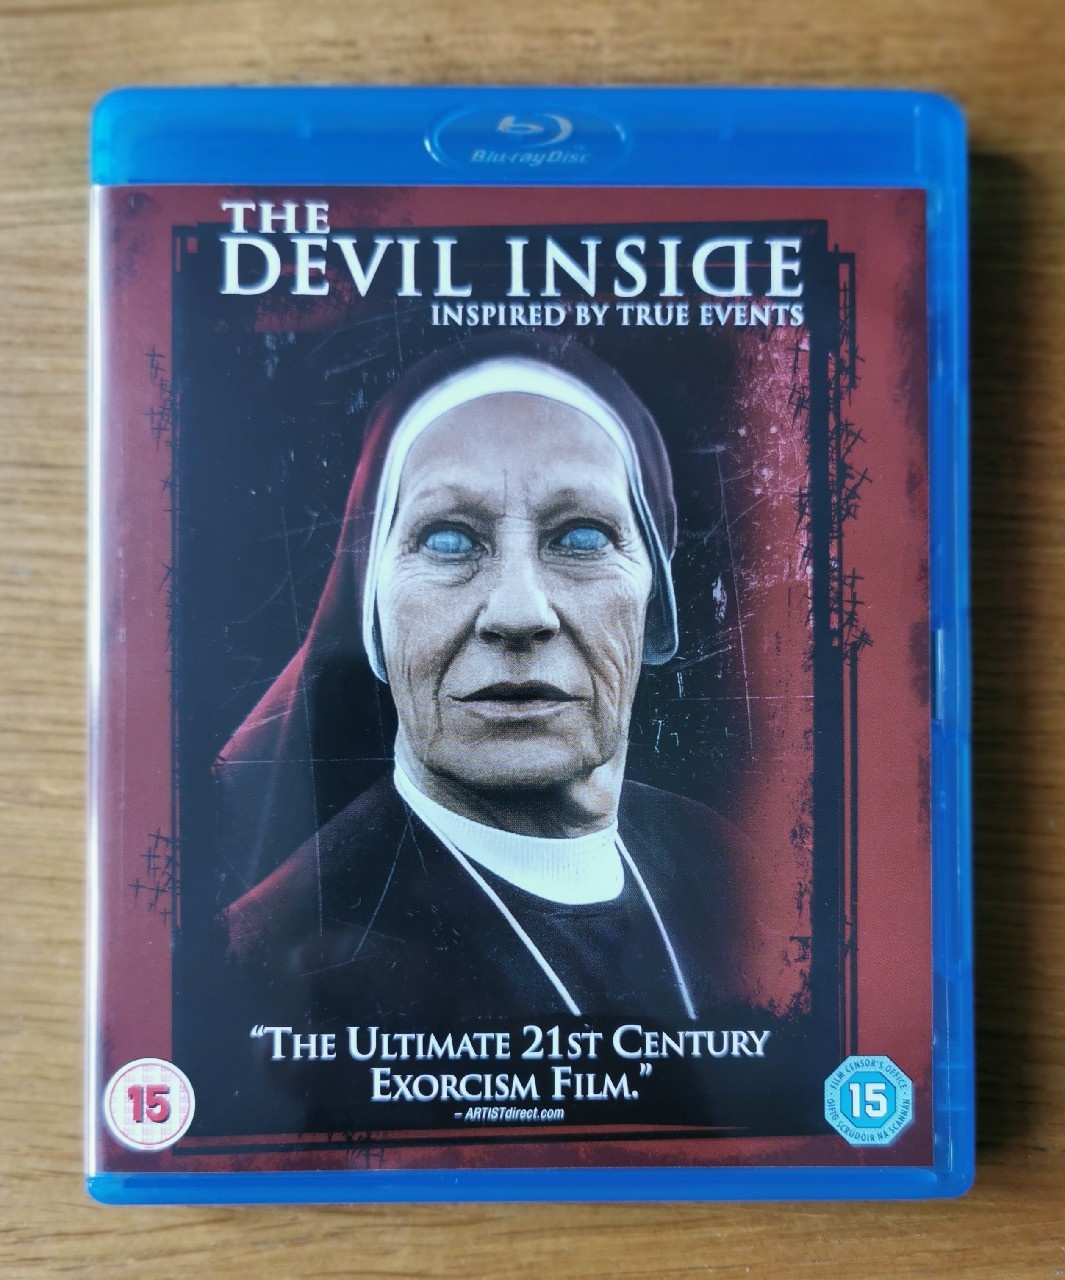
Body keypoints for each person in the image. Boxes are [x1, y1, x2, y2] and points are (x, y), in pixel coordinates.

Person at [216, 335, 755, 1027]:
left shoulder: (721, 862)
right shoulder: (267, 959)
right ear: (372, 614)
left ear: (654, 599)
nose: (518, 613)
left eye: (582, 537)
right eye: (447, 539)